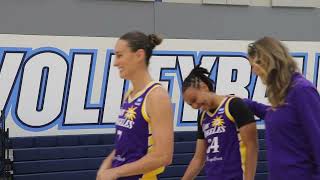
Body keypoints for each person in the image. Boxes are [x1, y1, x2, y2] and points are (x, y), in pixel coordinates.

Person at [96, 31, 174, 180]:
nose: (115, 63)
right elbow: (124, 144)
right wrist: (107, 165)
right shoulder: (129, 95)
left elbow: (163, 156)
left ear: (139, 55)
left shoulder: (156, 96)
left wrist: (116, 172)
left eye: (120, 56)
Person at [245, 36, 320, 180]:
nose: (254, 71)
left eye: (256, 64)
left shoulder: (302, 90)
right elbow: (280, 118)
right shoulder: (283, 94)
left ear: (271, 60)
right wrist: (247, 103)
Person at [181, 66, 258, 180]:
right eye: (190, 104)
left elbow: (251, 145)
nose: (195, 106)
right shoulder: (203, 117)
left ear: (204, 87)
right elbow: (199, 158)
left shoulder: (234, 105)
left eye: (194, 99)